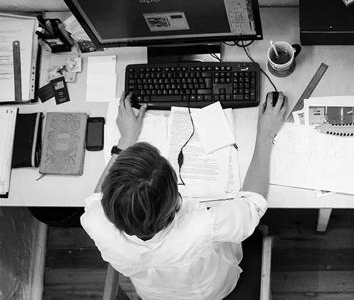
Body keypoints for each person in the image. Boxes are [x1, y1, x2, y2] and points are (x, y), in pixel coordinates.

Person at [80, 92, 288, 300]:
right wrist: (266, 135)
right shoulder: (203, 225)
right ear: (174, 198)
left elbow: (96, 198)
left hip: (154, 294)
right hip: (213, 290)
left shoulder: (96, 222)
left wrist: (125, 140)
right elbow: (253, 205)